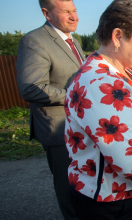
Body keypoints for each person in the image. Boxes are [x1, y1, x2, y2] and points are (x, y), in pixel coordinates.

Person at [64, 1, 132, 219]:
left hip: (119, 192)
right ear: (118, 36)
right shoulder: (102, 82)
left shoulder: (117, 71)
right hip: (110, 200)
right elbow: (127, 160)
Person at [16, 0, 84, 219]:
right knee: (69, 190)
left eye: (74, 10)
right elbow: (31, 88)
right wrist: (75, 97)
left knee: (84, 183)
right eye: (66, 12)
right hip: (58, 129)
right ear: (47, 13)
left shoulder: (75, 40)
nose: (74, 16)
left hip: (80, 125)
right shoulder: (34, 40)